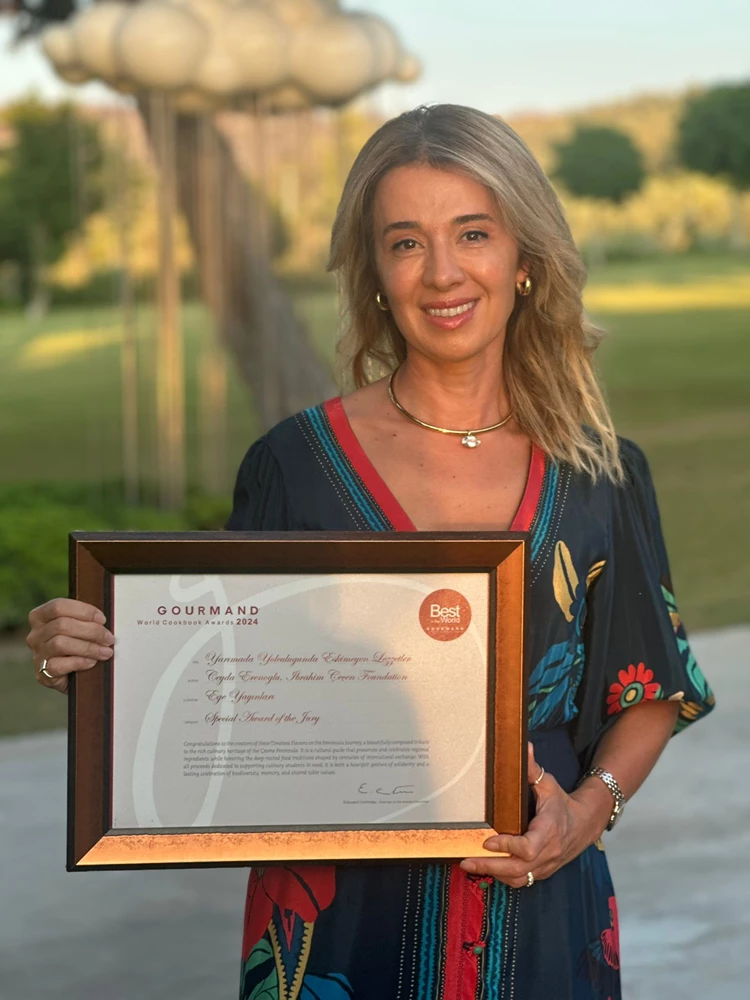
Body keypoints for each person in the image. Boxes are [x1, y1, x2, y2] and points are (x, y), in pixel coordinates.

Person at [27, 104, 714, 1000]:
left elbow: (649, 685)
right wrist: (90, 656)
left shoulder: (601, 473)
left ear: (526, 257)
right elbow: (216, 680)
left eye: (473, 232)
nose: (442, 272)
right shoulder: (294, 465)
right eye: (405, 242)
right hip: (333, 925)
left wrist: (584, 817)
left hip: (543, 914)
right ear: (377, 274)